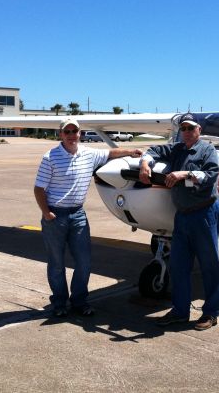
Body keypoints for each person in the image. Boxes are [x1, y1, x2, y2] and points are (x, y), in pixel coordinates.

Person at [34, 119, 142, 318]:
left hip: (78, 214)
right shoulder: (50, 157)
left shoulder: (88, 153)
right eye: (67, 131)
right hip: (55, 215)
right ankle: (59, 303)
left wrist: (131, 151)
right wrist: (46, 213)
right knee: (57, 263)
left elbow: (110, 153)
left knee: (84, 262)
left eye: (75, 131)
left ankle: (79, 301)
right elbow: (39, 188)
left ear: (80, 133)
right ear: (61, 134)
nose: (71, 134)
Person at [139, 113, 219, 330]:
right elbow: (152, 151)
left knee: (209, 265)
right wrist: (145, 165)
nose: (186, 132)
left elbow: (210, 175)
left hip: (204, 213)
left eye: (190, 128)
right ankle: (180, 311)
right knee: (179, 265)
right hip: (182, 215)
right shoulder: (176, 148)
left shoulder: (207, 150)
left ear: (199, 130)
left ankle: (211, 313)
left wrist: (184, 174)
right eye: (183, 128)